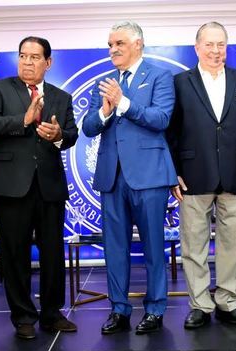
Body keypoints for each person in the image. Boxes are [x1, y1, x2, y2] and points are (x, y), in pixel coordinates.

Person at [167, 22, 236, 329]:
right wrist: (174, 174)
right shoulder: (180, 82)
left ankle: (228, 301)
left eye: (221, 44)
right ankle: (200, 304)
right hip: (193, 176)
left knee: (235, 244)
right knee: (193, 244)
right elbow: (171, 132)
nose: (215, 50)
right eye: (209, 44)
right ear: (197, 48)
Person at [0, 36, 78, 339]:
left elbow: (71, 135)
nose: (28, 62)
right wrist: (24, 119)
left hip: (49, 185)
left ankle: (52, 313)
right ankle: (23, 316)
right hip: (10, 186)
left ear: (48, 63)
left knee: (52, 253)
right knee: (14, 253)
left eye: (35, 57)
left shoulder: (61, 97)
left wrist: (58, 135)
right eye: (23, 56)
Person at [82, 21, 177, 335]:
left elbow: (160, 118)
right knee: (115, 248)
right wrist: (106, 111)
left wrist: (123, 103)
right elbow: (89, 127)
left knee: (153, 247)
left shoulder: (160, 76)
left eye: (119, 43)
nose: (113, 50)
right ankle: (119, 311)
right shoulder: (106, 82)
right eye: (110, 44)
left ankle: (155, 310)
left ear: (138, 43)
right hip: (112, 178)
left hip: (149, 176)